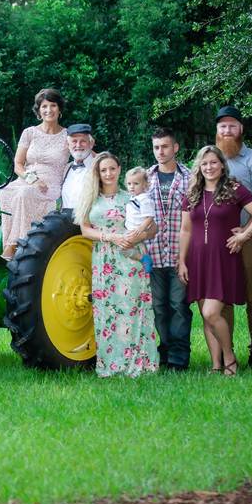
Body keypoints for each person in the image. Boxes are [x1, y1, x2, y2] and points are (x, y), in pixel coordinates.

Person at [178, 146, 252, 376]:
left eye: (213, 162)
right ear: (199, 166)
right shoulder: (192, 192)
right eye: (205, 163)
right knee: (205, 316)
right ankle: (216, 364)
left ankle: (230, 358)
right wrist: (182, 261)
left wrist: (244, 235)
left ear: (221, 165)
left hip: (223, 259)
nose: (209, 167)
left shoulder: (234, 188)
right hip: (197, 259)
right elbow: (186, 230)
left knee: (211, 312)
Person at [76, 152, 159, 378]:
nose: (108, 174)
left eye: (112, 168)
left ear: (119, 169)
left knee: (130, 309)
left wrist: (134, 238)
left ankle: (139, 362)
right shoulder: (91, 199)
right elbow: (85, 229)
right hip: (104, 259)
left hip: (130, 258)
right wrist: (110, 237)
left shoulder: (131, 197)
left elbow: (153, 228)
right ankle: (112, 364)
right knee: (107, 310)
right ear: (98, 173)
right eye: (103, 170)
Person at [215, 105, 252, 367]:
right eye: (222, 126)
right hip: (220, 238)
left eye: (232, 126)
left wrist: (246, 231)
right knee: (223, 296)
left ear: (241, 129)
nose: (227, 131)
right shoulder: (212, 160)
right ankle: (228, 352)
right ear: (217, 130)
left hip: (249, 236)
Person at [0, 88, 70, 259]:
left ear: (59, 109)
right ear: (38, 110)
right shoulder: (29, 133)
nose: (48, 110)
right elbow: (18, 164)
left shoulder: (67, 135)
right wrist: (32, 179)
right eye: (44, 106)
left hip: (50, 183)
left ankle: (15, 245)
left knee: (24, 194)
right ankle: (7, 241)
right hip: (28, 179)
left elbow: (84, 151)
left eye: (53, 105)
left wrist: (101, 158)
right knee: (5, 191)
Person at [145, 127, 193, 371]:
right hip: (152, 255)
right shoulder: (145, 178)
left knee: (179, 306)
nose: (160, 152)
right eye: (156, 147)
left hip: (179, 254)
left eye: (165, 146)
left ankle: (179, 357)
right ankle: (162, 353)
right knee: (158, 307)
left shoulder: (190, 177)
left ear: (175, 148)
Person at [121, 167, 155, 274]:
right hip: (132, 229)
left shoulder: (144, 199)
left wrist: (141, 228)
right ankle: (145, 256)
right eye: (129, 183)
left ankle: (143, 258)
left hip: (135, 230)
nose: (132, 187)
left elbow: (149, 217)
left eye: (136, 183)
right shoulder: (134, 197)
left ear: (144, 185)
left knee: (122, 248)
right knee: (136, 246)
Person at [59, 124, 96, 211]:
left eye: (83, 141)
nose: (78, 145)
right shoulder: (65, 169)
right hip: (65, 221)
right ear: (68, 145)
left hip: (90, 220)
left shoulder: (99, 167)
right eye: (74, 141)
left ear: (91, 144)